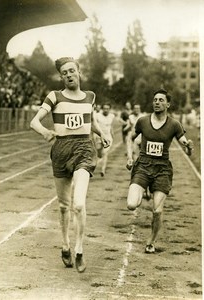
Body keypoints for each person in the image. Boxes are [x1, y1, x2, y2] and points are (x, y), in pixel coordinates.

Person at [30, 57, 110, 273]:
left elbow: (90, 122)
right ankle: (65, 245)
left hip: (84, 149)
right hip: (61, 150)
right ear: (61, 76)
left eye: (71, 70)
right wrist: (46, 131)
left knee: (79, 204)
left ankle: (80, 249)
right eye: (64, 72)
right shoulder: (54, 97)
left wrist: (102, 134)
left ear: (79, 72)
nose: (68, 74)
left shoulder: (90, 97)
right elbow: (34, 122)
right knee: (64, 206)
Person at [126, 89, 193, 253]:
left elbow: (184, 143)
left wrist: (189, 146)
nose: (157, 102)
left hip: (162, 169)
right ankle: (143, 191)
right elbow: (130, 138)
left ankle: (151, 241)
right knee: (131, 204)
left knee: (157, 210)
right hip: (143, 165)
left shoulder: (174, 124)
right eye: (155, 99)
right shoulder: (143, 121)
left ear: (168, 104)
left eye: (161, 100)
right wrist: (129, 157)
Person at [94, 103, 115, 176]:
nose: (106, 110)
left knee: (105, 153)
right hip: (99, 137)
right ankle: (99, 156)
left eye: (107, 109)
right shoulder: (97, 115)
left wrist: (112, 134)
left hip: (108, 137)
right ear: (102, 109)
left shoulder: (112, 116)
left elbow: (111, 126)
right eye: (104, 108)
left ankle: (103, 170)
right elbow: (94, 126)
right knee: (98, 152)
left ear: (109, 109)